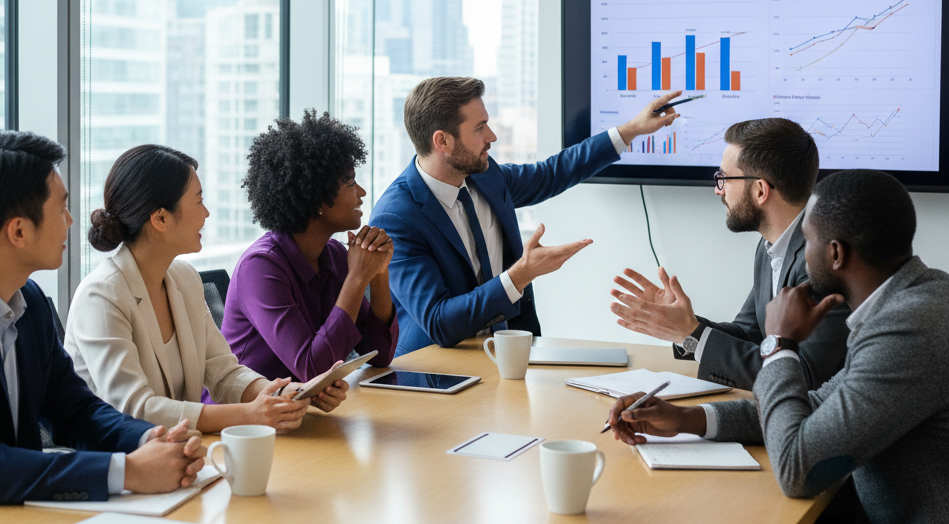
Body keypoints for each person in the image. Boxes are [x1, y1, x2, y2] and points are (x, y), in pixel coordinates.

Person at [607, 169, 949, 524]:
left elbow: (798, 468)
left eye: (806, 242)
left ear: (835, 254)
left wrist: (779, 345)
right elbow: (818, 406)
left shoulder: (909, 328)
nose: (799, 259)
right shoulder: (913, 300)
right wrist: (689, 420)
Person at [0, 131, 205, 519]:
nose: (71, 221)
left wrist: (148, 438)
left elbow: (76, 411)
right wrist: (128, 471)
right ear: (19, 231)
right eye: (61, 209)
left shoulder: (29, 301)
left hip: (20, 521)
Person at [370, 75, 681, 354]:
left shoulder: (486, 175)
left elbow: (552, 173)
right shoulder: (397, 218)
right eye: (479, 128)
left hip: (509, 356)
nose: (492, 136)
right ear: (442, 141)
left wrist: (632, 129)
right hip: (436, 374)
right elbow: (439, 322)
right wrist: (520, 274)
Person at [66, 145, 345, 433]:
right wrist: (250, 415)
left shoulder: (185, 279)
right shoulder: (101, 296)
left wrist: (288, 394)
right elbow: (135, 409)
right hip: (122, 454)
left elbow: (224, 372)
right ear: (161, 219)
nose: (207, 212)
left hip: (180, 447)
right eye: (199, 201)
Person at [610, 118, 849, 390]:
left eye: (724, 178)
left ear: (760, 190)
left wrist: (689, 333)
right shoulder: (772, 245)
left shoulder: (820, 261)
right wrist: (681, 326)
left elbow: (803, 376)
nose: (717, 189)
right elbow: (751, 334)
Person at [222, 111, 398, 383]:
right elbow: (312, 368)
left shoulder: (335, 255)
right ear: (317, 197)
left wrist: (378, 273)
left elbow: (380, 354)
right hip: (248, 410)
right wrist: (357, 277)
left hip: (302, 404)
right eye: (350, 182)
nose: (361, 192)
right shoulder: (259, 268)